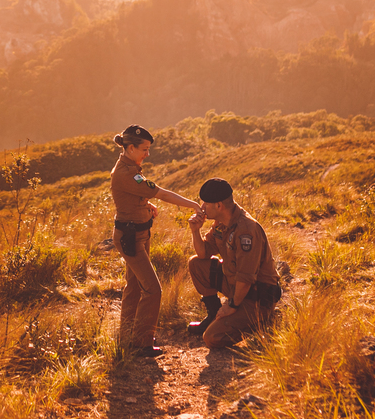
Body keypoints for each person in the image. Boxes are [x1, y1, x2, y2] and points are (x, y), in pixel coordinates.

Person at [109, 124, 202, 357]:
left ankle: (127, 337)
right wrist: (192, 204)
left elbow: (131, 194)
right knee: (153, 290)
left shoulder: (131, 168)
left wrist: (144, 204)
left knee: (133, 287)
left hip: (139, 233)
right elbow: (160, 192)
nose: (147, 154)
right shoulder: (126, 173)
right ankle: (141, 343)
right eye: (144, 149)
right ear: (130, 148)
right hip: (130, 237)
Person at [186, 177, 282, 348]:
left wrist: (231, 306)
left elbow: (245, 278)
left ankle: (263, 322)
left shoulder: (246, 230)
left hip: (256, 298)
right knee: (196, 264)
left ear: (219, 206)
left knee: (212, 338)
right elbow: (203, 253)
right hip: (237, 287)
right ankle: (213, 314)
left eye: (205, 204)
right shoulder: (222, 223)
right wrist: (195, 231)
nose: (202, 208)